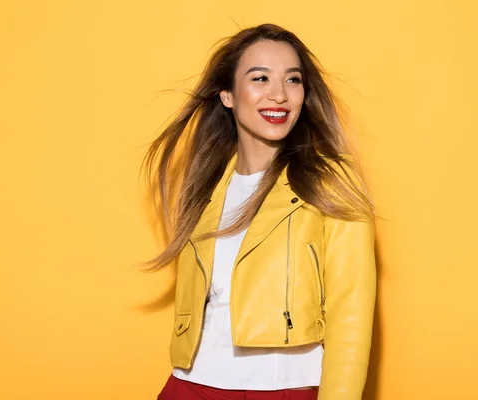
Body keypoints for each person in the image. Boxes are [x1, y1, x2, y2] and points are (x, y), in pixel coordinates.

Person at [143, 23, 376, 400]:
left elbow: (351, 313)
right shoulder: (206, 183)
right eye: (260, 78)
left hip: (283, 387)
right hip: (191, 383)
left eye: (293, 80)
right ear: (228, 96)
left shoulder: (329, 179)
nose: (279, 95)